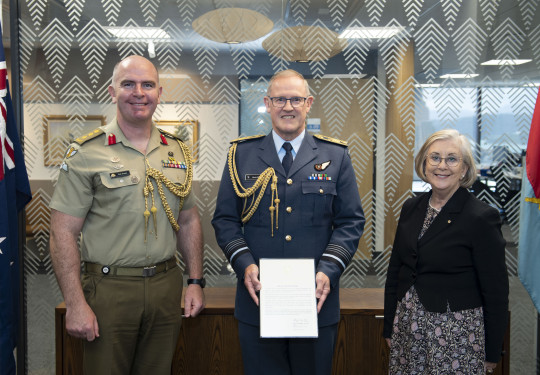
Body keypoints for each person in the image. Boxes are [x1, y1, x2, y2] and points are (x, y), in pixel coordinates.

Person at [49, 55, 205, 375]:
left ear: (159, 93)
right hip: (108, 290)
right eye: (128, 84)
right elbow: (61, 233)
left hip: (165, 287)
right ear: (112, 92)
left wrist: (195, 280)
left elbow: (188, 220)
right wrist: (75, 303)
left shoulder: (176, 150)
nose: (139, 92)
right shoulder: (86, 152)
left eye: (147, 84)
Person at [212, 69, 365, 375]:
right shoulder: (240, 155)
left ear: (308, 103)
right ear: (267, 104)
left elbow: (350, 222)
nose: (288, 106)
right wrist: (245, 265)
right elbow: (225, 220)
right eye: (280, 99)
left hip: (314, 301)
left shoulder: (335, 156)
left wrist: (328, 270)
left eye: (296, 99)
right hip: (258, 300)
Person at [383, 129, 509, 375]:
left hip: (456, 335)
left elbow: (495, 291)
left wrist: (492, 350)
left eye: (452, 159)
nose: (442, 166)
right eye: (435, 158)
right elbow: (396, 270)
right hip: (409, 328)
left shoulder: (481, 217)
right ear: (424, 164)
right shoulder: (411, 207)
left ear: (464, 169)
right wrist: (390, 326)